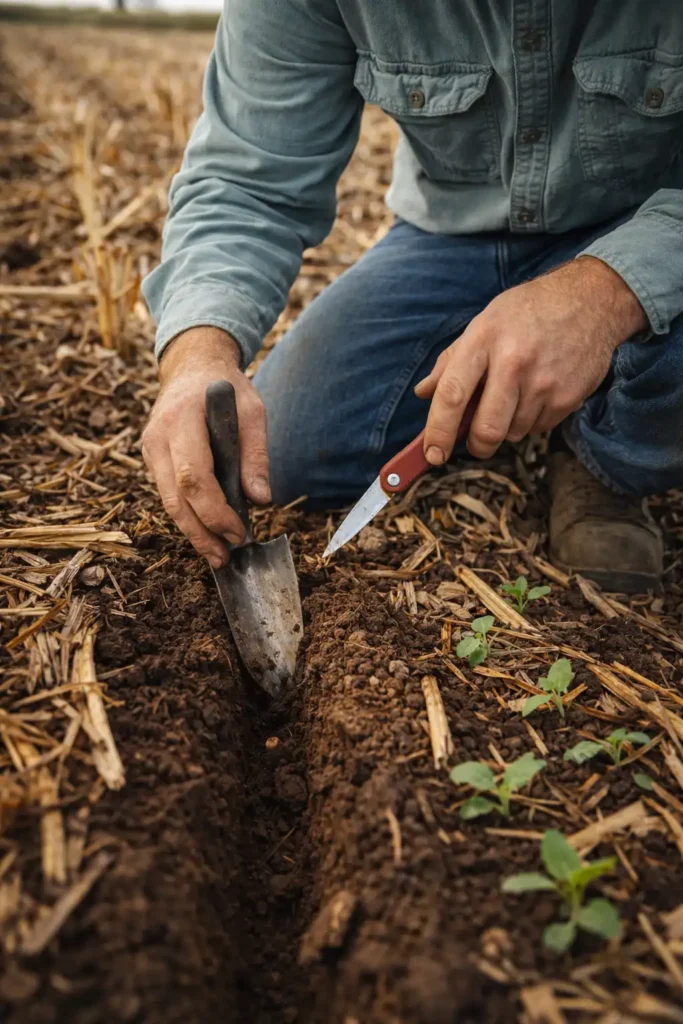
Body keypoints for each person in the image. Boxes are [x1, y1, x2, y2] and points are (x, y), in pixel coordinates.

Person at [141, 0, 683, 595]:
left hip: (653, 227)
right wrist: (197, 356)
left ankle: (608, 459)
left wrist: (605, 293)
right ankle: (509, 404)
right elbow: (245, 179)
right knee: (290, 454)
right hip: (452, 237)